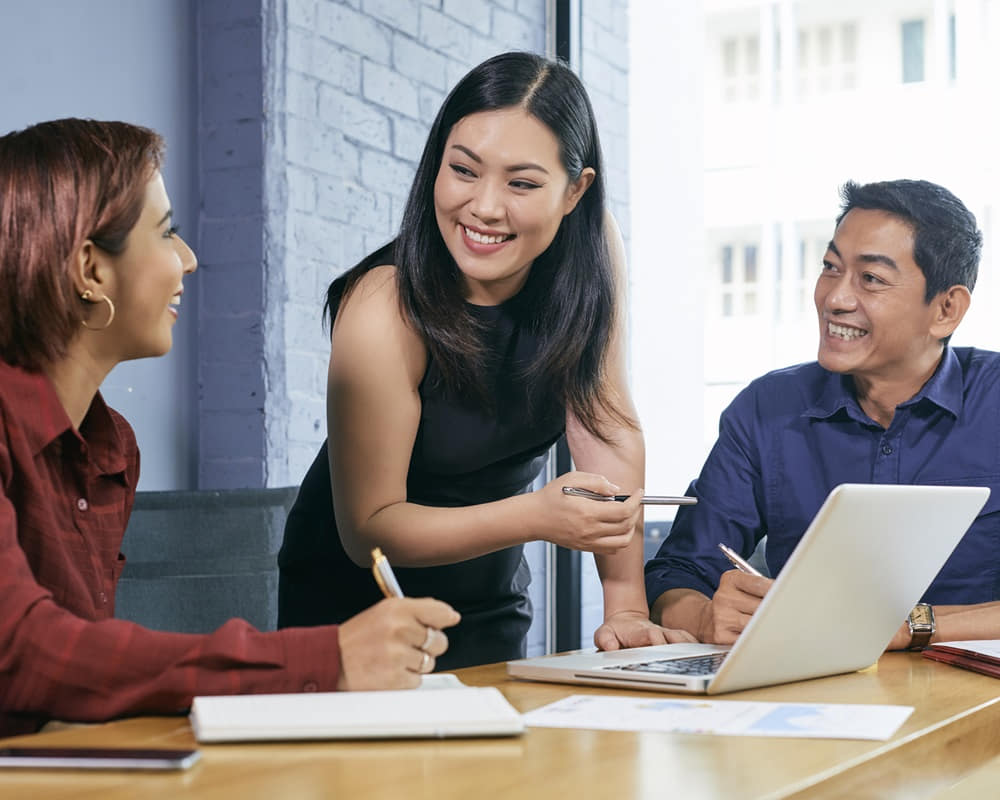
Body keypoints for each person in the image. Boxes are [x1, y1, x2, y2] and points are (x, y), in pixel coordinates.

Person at [0, 118, 460, 739]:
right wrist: (327, 658)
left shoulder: (110, 449)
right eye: (166, 234)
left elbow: (81, 673)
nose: (188, 260)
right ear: (89, 269)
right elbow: (25, 653)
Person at [278, 51, 693, 669]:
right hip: (359, 610)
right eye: (463, 170)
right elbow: (369, 528)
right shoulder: (381, 306)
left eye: (522, 183)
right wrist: (537, 515)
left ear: (576, 190)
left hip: (490, 596)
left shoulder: (591, 251)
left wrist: (626, 604)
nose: (484, 208)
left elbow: (604, 422)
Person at [645, 178, 1000, 651]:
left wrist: (910, 626)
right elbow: (680, 571)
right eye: (831, 268)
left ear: (946, 309)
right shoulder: (767, 409)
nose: (835, 298)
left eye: (870, 279)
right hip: (811, 692)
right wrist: (705, 615)